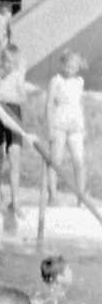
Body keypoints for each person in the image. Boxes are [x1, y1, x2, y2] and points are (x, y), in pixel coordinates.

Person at [44, 50, 99, 201]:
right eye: (67, 66)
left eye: (73, 67)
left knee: (79, 160)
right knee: (56, 160)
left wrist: (84, 126)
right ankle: (52, 194)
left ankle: (81, 195)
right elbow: (49, 104)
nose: (70, 70)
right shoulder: (56, 80)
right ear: (62, 65)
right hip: (59, 122)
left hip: (76, 123)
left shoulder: (79, 81)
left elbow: (80, 104)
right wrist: (49, 127)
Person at [0, 42, 33, 216]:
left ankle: (15, 200)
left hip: (14, 115)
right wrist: (2, 96)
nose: (8, 65)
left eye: (12, 62)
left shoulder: (17, 76)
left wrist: (6, 96)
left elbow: (23, 99)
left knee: (15, 155)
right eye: (5, 61)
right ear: (1, 60)